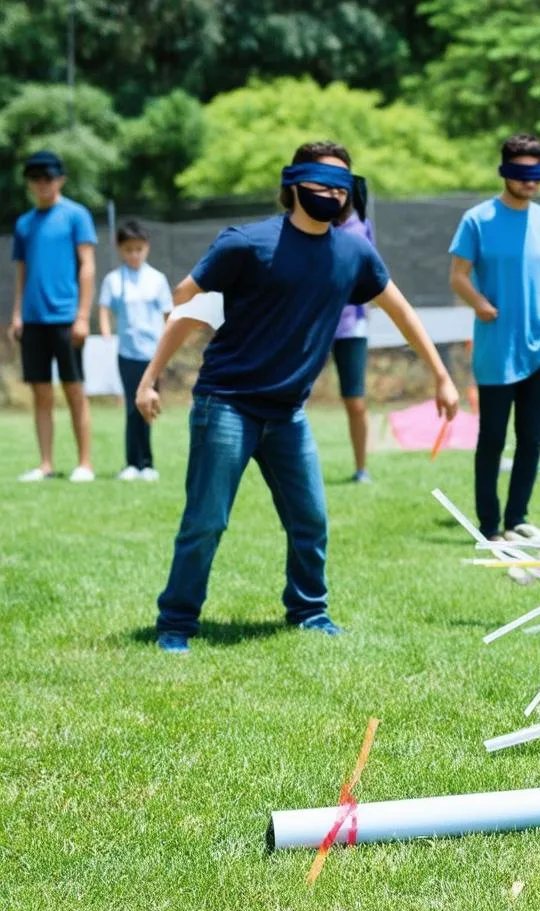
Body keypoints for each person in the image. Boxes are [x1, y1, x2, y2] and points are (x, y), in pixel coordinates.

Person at [135, 141, 459, 654]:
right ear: (293, 184)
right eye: (321, 181)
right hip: (228, 404)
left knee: (310, 519)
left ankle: (309, 611)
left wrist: (441, 375)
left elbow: (400, 310)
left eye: (342, 185)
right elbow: (183, 298)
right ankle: (176, 621)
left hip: (288, 412)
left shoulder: (353, 252)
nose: (332, 192)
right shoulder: (246, 243)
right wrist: (151, 376)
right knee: (207, 519)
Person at [449, 132, 540, 543]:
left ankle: (518, 516)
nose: (529, 180)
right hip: (496, 345)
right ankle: (489, 525)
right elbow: (458, 276)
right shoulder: (477, 220)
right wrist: (480, 304)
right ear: (505, 171)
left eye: (536, 172)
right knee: (492, 438)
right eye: (521, 172)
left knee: (531, 437)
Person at [8, 150, 97, 482]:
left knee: (75, 390)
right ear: (29, 183)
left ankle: (84, 464)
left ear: (60, 179)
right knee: (40, 393)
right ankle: (45, 464)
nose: (42, 184)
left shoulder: (76, 216)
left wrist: (83, 316)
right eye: (35, 178)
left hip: (66, 318)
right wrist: (17, 313)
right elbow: (22, 272)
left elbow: (87, 266)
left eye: (48, 177)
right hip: (33, 320)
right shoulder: (24, 223)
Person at [98, 219, 173, 481]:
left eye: (138, 249)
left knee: (148, 407)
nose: (134, 254)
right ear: (120, 249)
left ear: (147, 248)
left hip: (153, 355)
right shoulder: (114, 280)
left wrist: (167, 350)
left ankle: (147, 463)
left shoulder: (157, 280)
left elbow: (168, 316)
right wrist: (107, 334)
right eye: (129, 249)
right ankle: (132, 463)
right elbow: (105, 308)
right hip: (128, 354)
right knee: (132, 407)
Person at [330, 169, 377, 484]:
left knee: (355, 401)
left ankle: (362, 468)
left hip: (350, 327)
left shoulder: (359, 229)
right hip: (312, 325)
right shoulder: (312, 227)